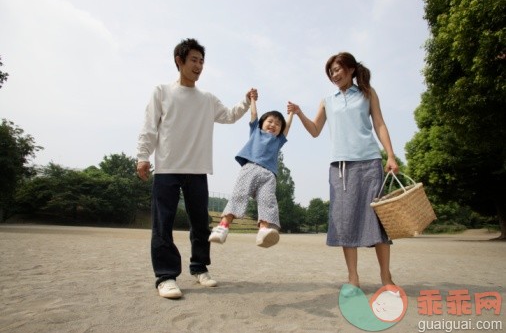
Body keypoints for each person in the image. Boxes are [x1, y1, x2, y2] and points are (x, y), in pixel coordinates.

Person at [136, 38, 257, 299]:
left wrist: (246, 101)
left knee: (200, 223)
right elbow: (149, 127)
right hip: (167, 167)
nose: (198, 65)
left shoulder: (207, 99)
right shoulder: (161, 91)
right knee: (162, 224)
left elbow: (229, 115)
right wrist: (142, 156)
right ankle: (166, 277)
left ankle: (199, 268)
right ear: (179, 61)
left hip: (197, 168)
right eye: (193, 60)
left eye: (201, 61)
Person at [287, 52, 399, 288]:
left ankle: (386, 278)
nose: (334, 75)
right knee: (346, 222)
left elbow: (379, 123)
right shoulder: (328, 100)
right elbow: (315, 130)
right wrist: (298, 113)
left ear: (350, 69)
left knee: (379, 222)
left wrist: (390, 154)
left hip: (370, 163)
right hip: (341, 168)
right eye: (331, 72)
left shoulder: (367, 93)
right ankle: (353, 279)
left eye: (337, 69)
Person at [208, 97, 293, 248]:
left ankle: (263, 230)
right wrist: (253, 99)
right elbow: (253, 113)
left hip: (269, 175)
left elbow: (287, 129)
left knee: (268, 201)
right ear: (262, 123)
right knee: (239, 195)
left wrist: (292, 114)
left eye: (278, 124)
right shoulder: (256, 132)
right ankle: (222, 227)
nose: (274, 125)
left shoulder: (278, 141)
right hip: (250, 169)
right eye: (270, 121)